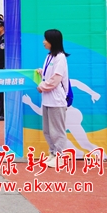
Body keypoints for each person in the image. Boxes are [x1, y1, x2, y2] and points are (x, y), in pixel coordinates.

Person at [36, 29, 70, 168]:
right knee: (48, 130)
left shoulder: (60, 57)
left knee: (57, 130)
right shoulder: (50, 56)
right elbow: (49, 74)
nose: (44, 42)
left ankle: (60, 157)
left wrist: (42, 86)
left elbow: (56, 79)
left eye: (46, 39)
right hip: (47, 99)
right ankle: (53, 153)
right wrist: (41, 72)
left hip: (56, 100)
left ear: (53, 41)